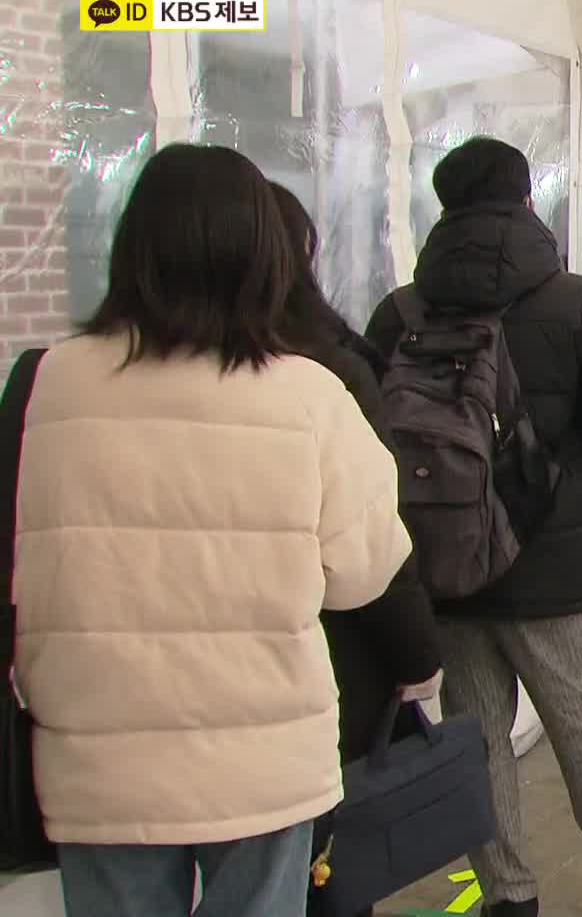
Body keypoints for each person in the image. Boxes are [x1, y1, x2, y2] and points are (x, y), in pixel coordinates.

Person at [13, 144, 412, 917]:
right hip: (262, 752)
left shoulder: (48, 381)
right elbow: (364, 569)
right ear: (265, 255)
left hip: (96, 746)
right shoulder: (307, 393)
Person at [365, 137, 582, 917]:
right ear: (525, 201)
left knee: (476, 734)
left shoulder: (402, 309)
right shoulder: (572, 298)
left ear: (443, 205)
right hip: (548, 559)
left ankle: (508, 894)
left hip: (442, 555)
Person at [270, 184, 444, 917]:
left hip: (97, 724)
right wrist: (417, 660)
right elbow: (369, 551)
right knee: (309, 874)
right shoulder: (321, 375)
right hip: (294, 688)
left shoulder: (52, 381)